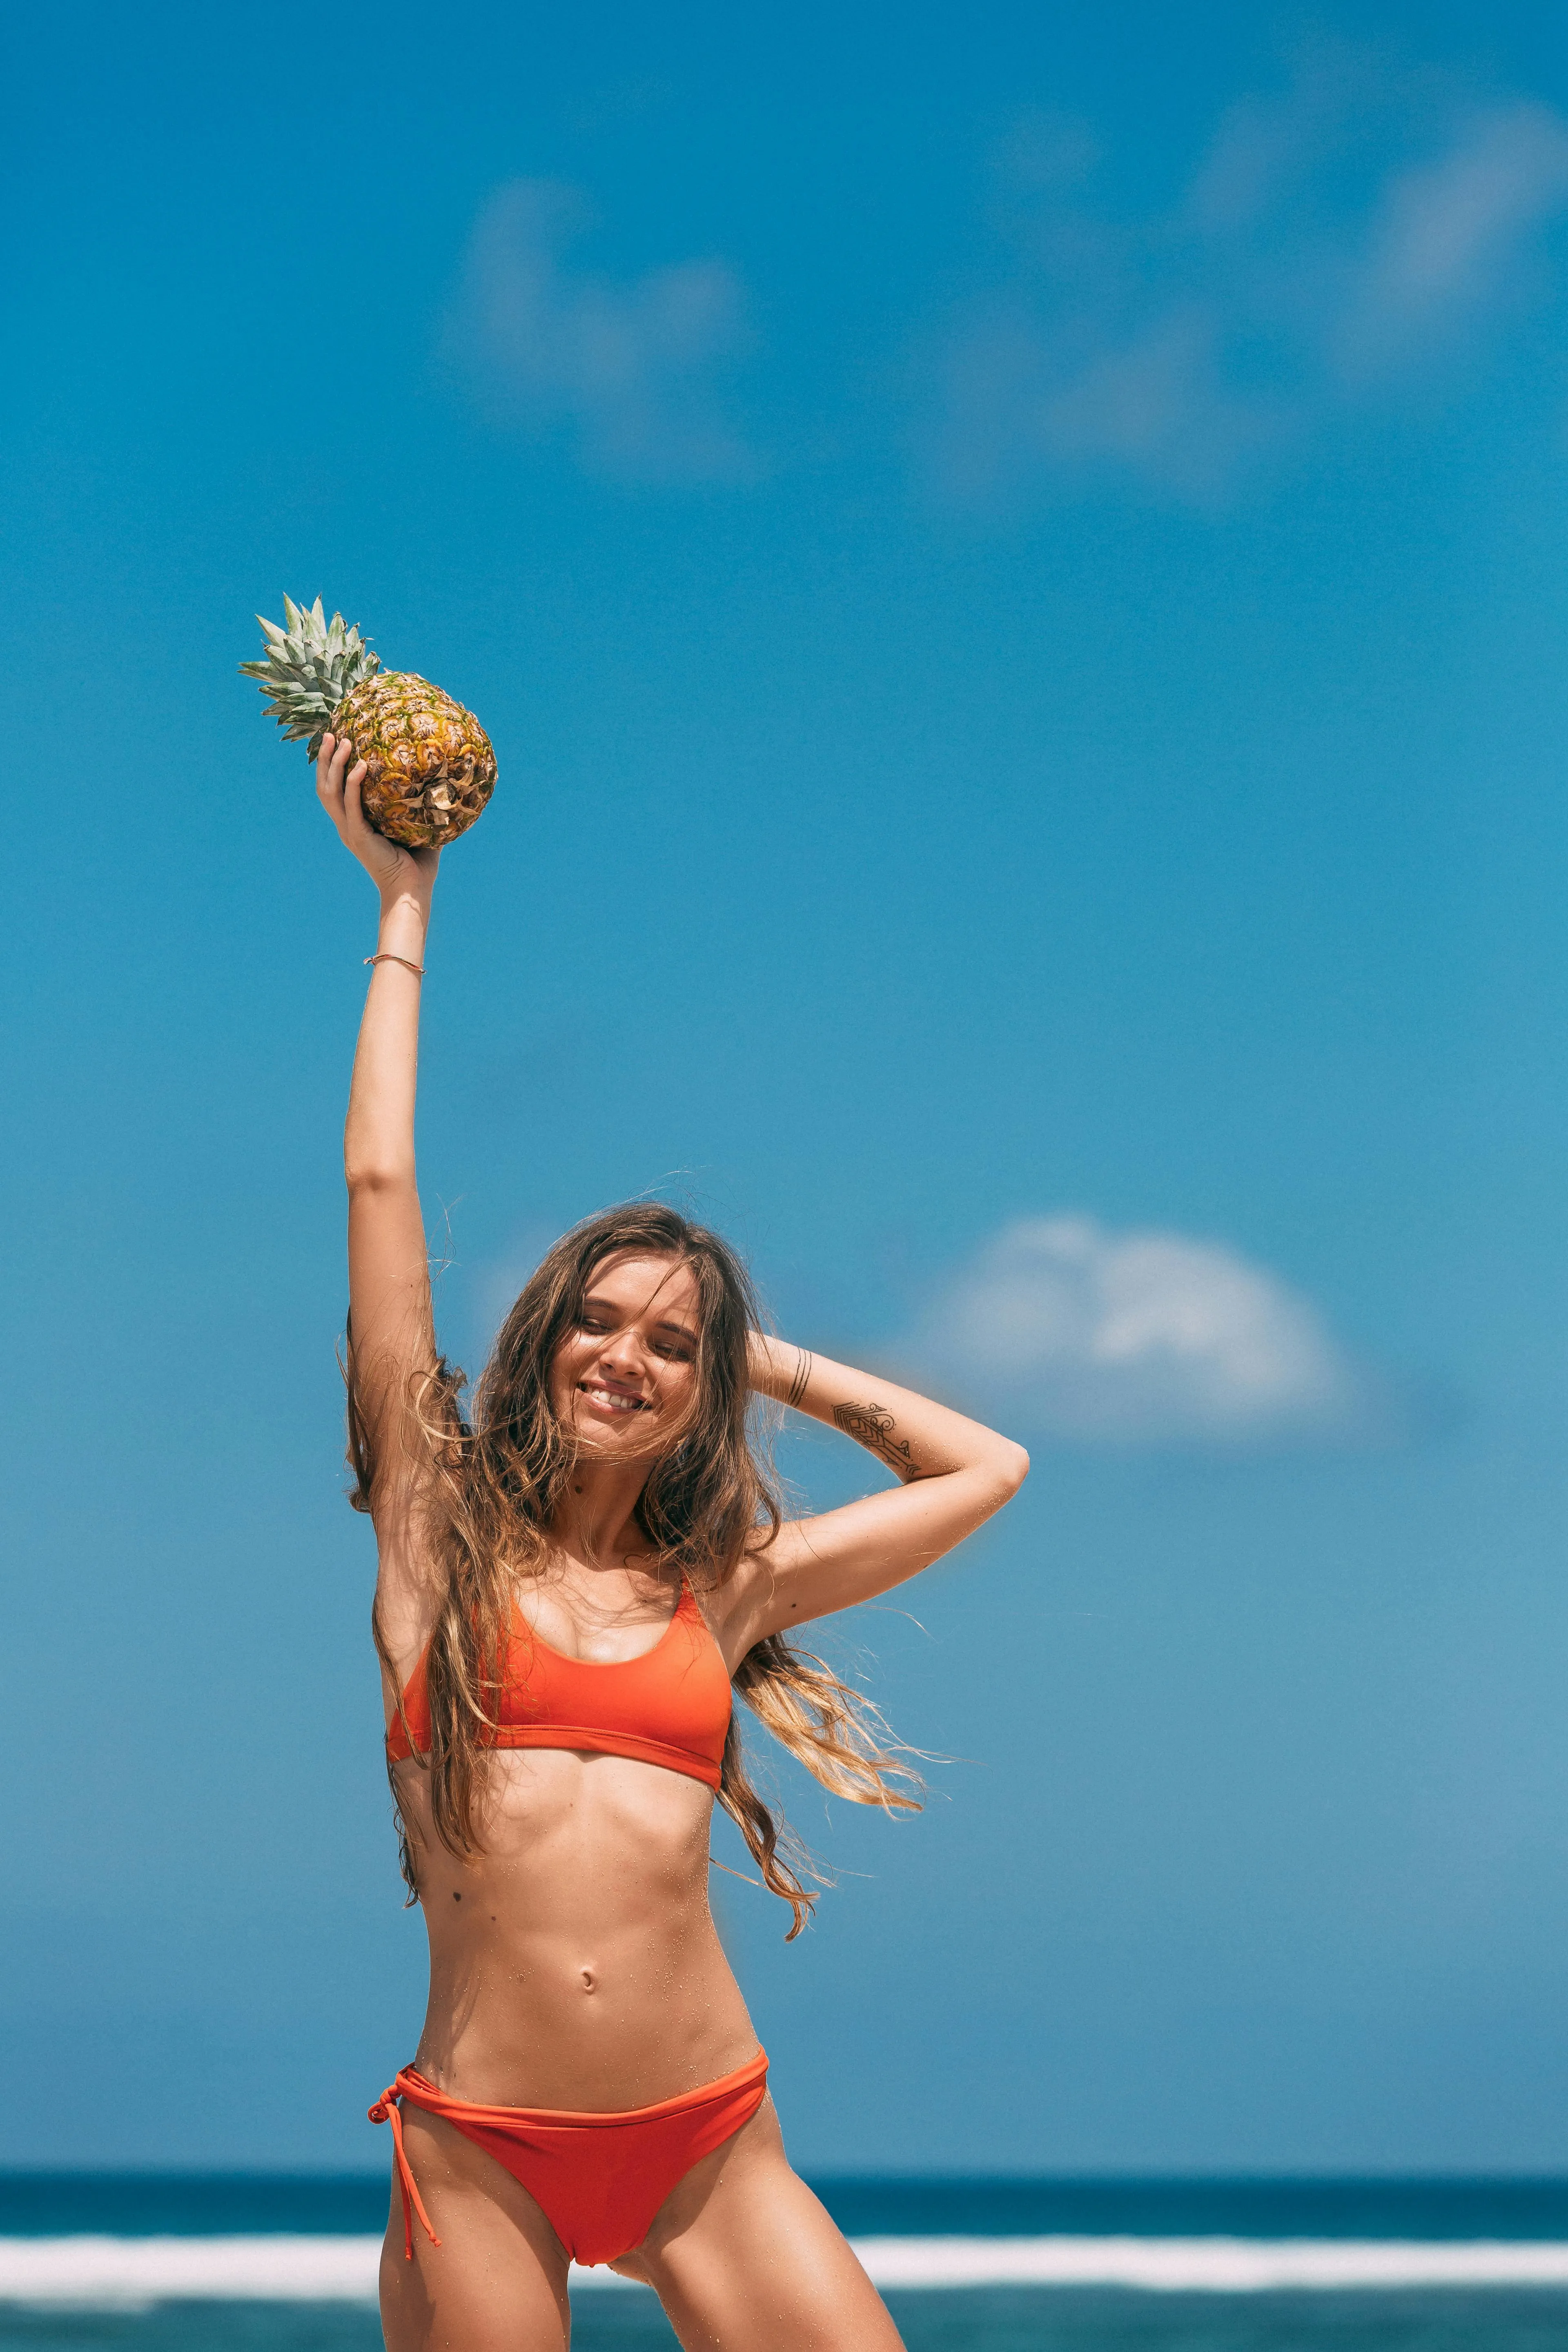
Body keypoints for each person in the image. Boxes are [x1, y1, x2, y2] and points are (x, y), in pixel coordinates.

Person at [316, 730, 1029, 2350]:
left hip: (705, 2134)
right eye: (598, 1320)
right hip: (482, 2141)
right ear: (541, 1337)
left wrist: (761, 1348)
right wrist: (403, 907)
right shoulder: (433, 1550)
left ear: (702, 1392)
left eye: (669, 1344)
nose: (623, 1357)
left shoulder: (725, 1586)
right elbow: (376, 1179)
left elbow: (987, 1466)